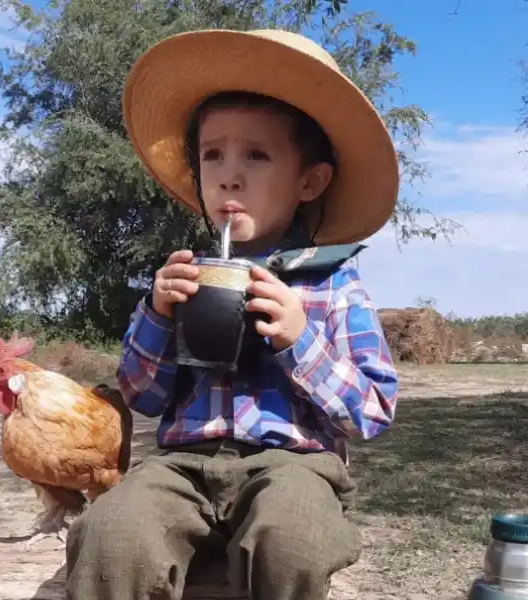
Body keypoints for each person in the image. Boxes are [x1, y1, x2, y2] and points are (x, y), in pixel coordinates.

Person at [65, 28, 400, 600]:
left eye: (257, 155)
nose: (229, 174)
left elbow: (373, 411)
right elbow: (142, 399)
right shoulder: (184, 278)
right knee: (111, 534)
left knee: (290, 540)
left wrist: (301, 338)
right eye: (212, 154)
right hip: (181, 467)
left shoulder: (332, 282)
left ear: (309, 181)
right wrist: (158, 315)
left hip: (294, 466)